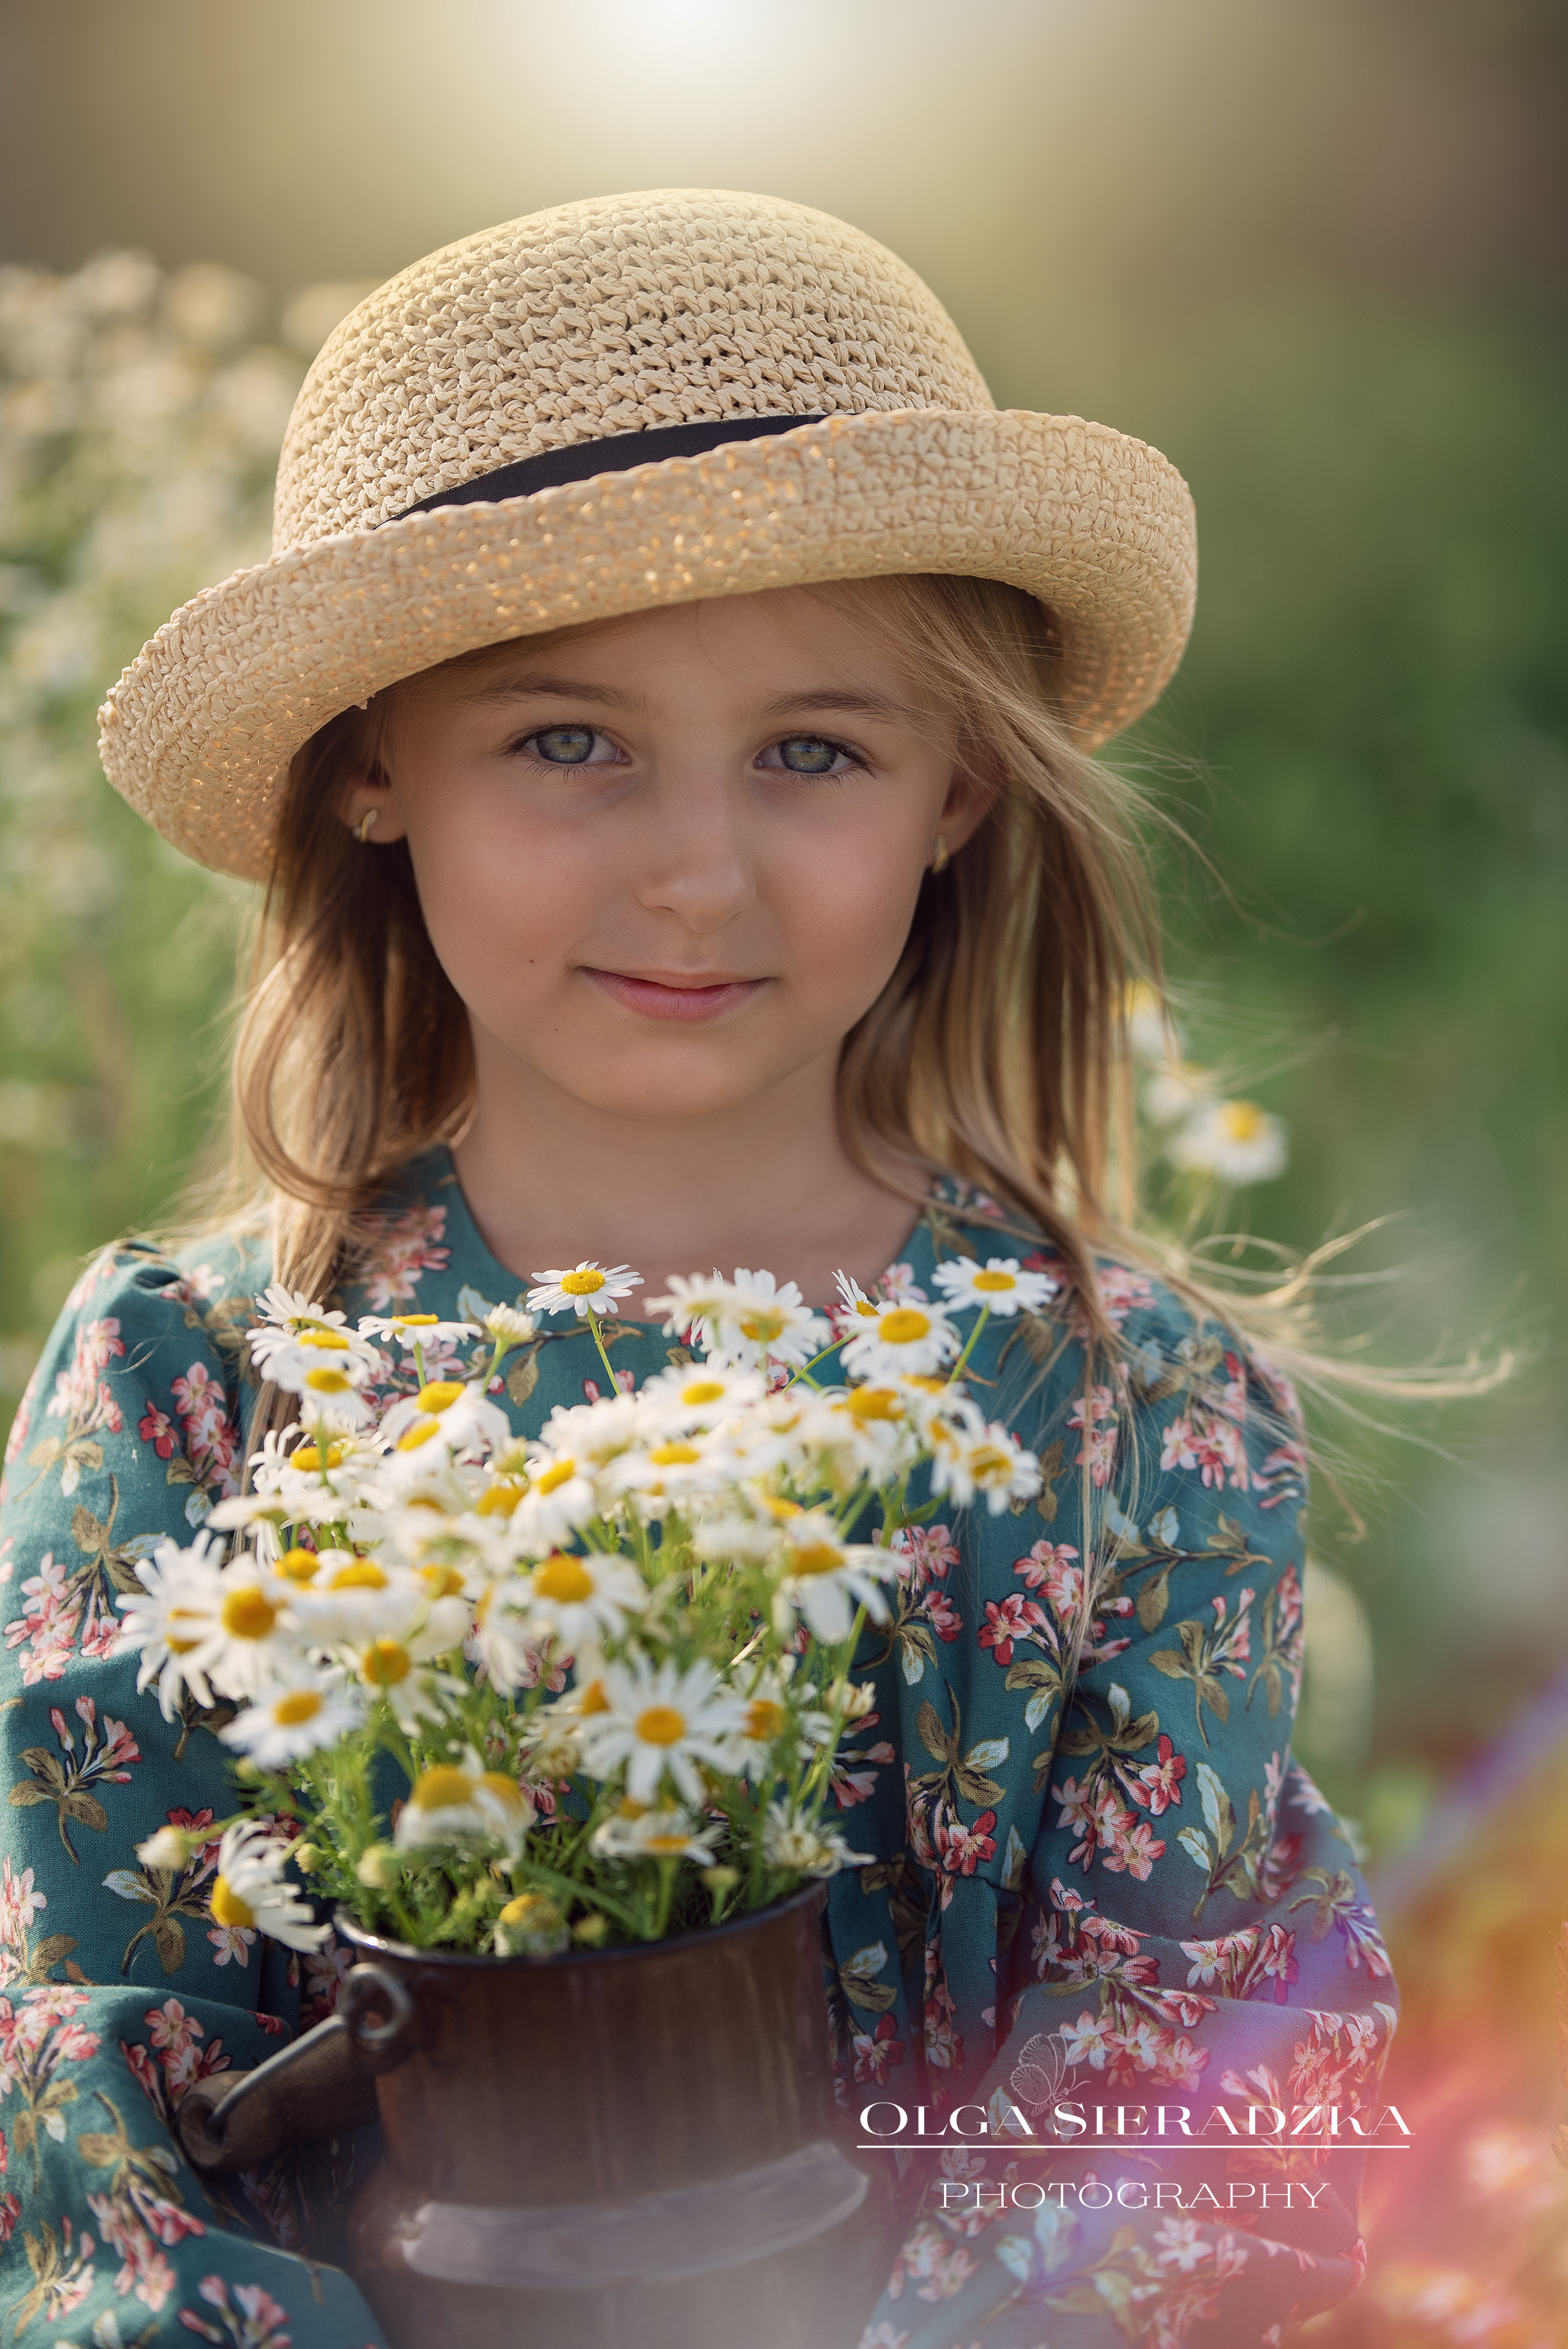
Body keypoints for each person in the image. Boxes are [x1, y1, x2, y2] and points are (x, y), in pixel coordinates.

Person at [0, 190, 1396, 2346]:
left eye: (814, 750)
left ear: (955, 792)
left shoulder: (1133, 1404)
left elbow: (1186, 2065)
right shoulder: (196, 1389)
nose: (694, 866)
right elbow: (90, 2082)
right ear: (378, 763)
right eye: (567, 739)